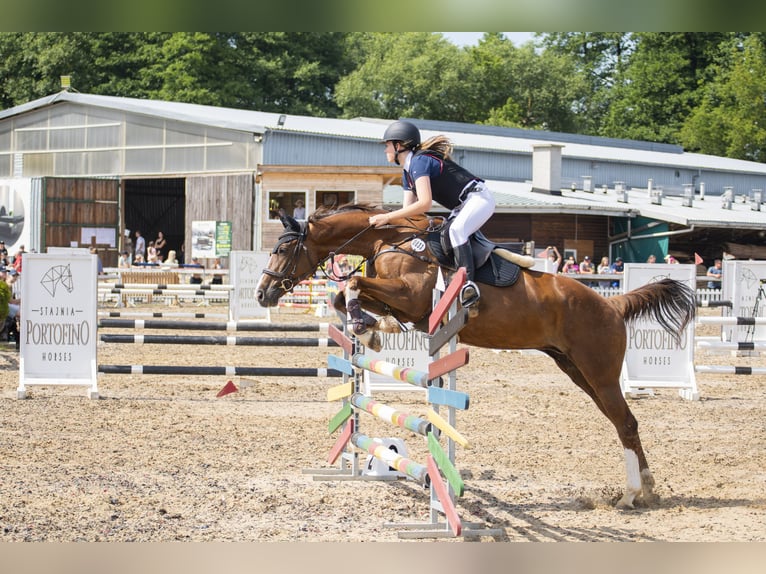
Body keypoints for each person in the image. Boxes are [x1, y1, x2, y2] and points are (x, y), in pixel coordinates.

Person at [370, 120, 495, 307]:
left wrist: (387, 216)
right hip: (462, 206)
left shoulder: (419, 162)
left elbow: (424, 203)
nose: (385, 150)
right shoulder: (407, 172)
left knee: (456, 231)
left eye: (387, 145)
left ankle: (467, 284)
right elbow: (408, 214)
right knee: (440, 235)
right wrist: (386, 225)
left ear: (399, 145)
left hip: (478, 199)